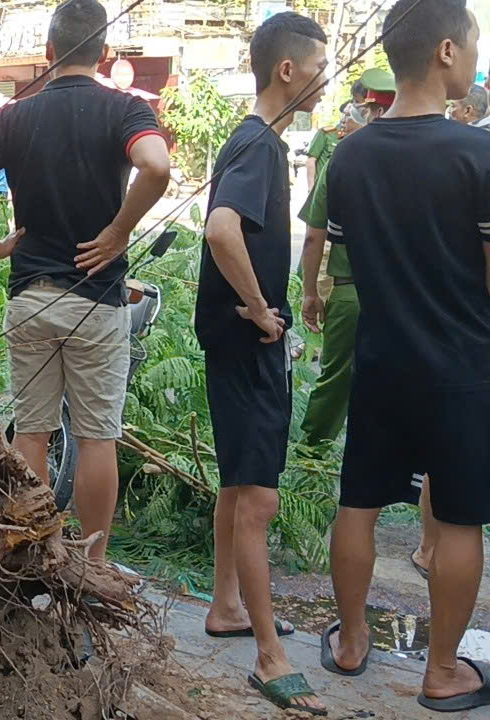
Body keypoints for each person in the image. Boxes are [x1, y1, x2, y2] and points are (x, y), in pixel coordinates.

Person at [0, 0, 169, 563]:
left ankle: (31, 556)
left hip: (32, 299)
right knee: (96, 438)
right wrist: (116, 233)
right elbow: (156, 167)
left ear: (48, 53)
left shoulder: (14, 115)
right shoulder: (123, 109)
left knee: (32, 433)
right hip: (97, 302)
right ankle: (92, 565)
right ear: (105, 55)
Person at [322, 0, 490, 711]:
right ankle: (442, 670)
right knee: (457, 521)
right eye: (477, 44)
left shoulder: (351, 153)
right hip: (461, 368)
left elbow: (348, 256)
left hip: (382, 359)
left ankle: (353, 642)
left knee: (357, 503)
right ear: (447, 51)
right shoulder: (477, 154)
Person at [195, 12, 329, 715]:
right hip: (248, 345)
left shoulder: (251, 142)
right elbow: (220, 228)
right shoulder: (261, 146)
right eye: (318, 65)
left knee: (236, 483)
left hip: (234, 344)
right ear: (288, 70)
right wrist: (257, 306)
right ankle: (271, 656)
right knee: (260, 498)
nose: (323, 77)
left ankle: (224, 605)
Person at [298, 70, 394, 448]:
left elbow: (312, 235)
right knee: (396, 378)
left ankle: (314, 454)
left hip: (351, 295)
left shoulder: (342, 160)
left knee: (336, 376)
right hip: (408, 295)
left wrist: (309, 292)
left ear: (369, 110)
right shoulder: (432, 153)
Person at [304, 79, 365, 192]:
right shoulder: (327, 132)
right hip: (321, 188)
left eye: (348, 115)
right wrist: (311, 187)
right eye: (344, 114)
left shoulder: (357, 137)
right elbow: (311, 160)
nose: (344, 119)